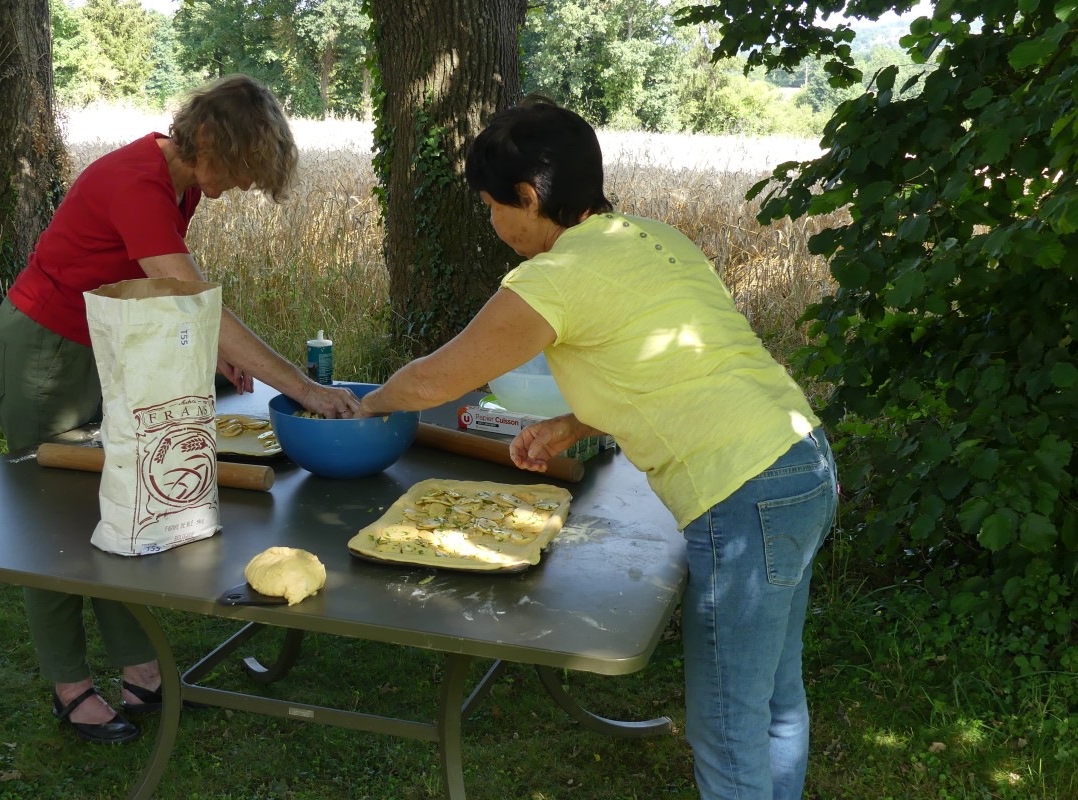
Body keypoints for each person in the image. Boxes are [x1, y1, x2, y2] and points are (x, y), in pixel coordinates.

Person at [354, 98, 838, 799]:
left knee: (729, 721)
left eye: (494, 206)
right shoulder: (650, 237)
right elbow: (667, 363)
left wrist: (363, 403)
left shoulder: (553, 277)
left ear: (528, 197)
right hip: (800, 458)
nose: (493, 225)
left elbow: (442, 375)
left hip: (742, 491)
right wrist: (570, 426)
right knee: (771, 697)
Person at [0, 74, 360, 744]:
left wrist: (209, 347)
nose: (240, 186)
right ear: (207, 140)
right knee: (56, 528)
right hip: (44, 354)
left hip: (104, 347)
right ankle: (70, 688)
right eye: (241, 170)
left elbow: (161, 289)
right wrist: (300, 386)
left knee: (119, 511)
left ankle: (142, 677)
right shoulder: (138, 182)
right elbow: (193, 301)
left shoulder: (181, 179)